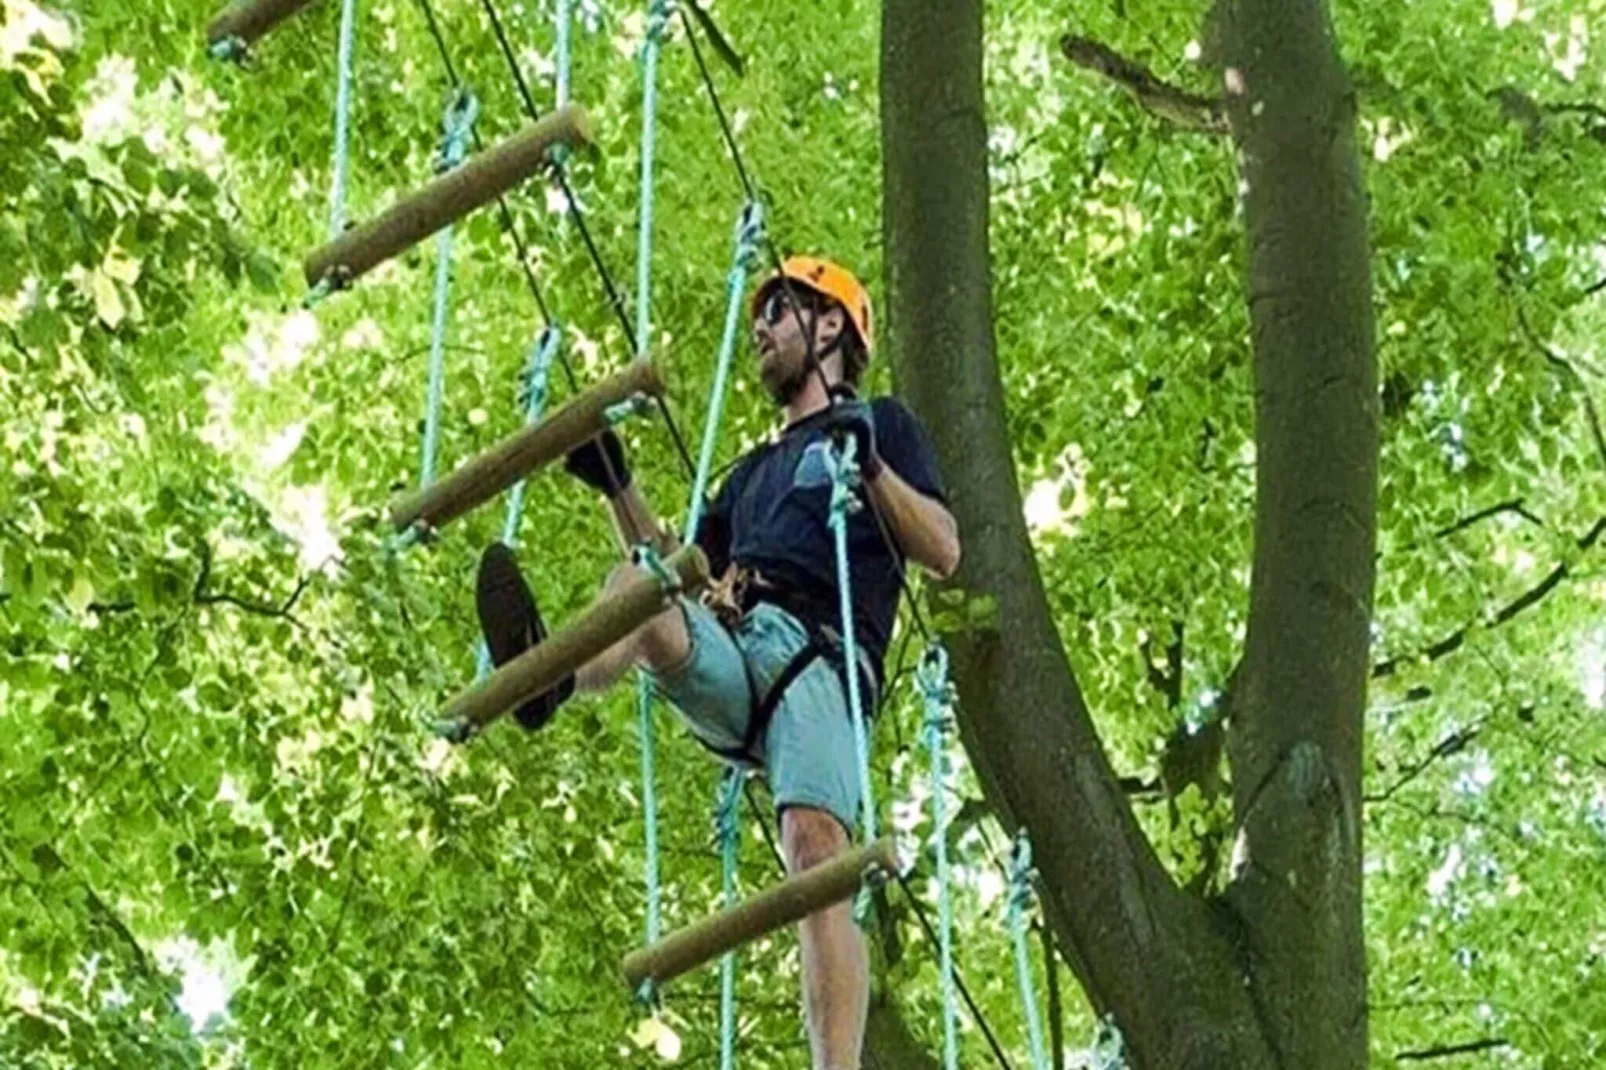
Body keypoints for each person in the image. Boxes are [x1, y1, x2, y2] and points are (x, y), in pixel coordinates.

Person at [474, 256, 961, 1070]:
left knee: (815, 849)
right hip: (742, 644)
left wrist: (871, 462)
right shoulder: (751, 474)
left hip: (823, 665)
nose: (761, 332)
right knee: (640, 589)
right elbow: (684, 568)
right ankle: (550, 676)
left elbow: (943, 548)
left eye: (778, 314)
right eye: (761, 316)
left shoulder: (886, 425)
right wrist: (616, 486)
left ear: (830, 324)